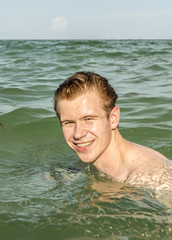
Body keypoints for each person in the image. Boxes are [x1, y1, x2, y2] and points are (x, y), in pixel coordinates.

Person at [54, 72, 172, 191]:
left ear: (113, 118)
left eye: (88, 119)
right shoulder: (85, 163)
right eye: (69, 122)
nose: (77, 134)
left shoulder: (151, 178)